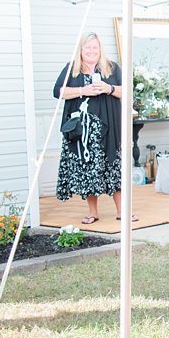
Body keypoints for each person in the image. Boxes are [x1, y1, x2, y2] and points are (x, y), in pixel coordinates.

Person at [53, 33, 131, 224]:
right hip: (82, 130)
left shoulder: (112, 68)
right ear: (80, 50)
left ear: (100, 49)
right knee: (88, 168)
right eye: (87, 47)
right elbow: (58, 92)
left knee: (114, 165)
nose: (91, 51)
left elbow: (126, 91)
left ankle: (123, 211)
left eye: (95, 47)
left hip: (109, 127)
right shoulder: (72, 69)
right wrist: (82, 91)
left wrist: (109, 89)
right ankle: (92, 212)